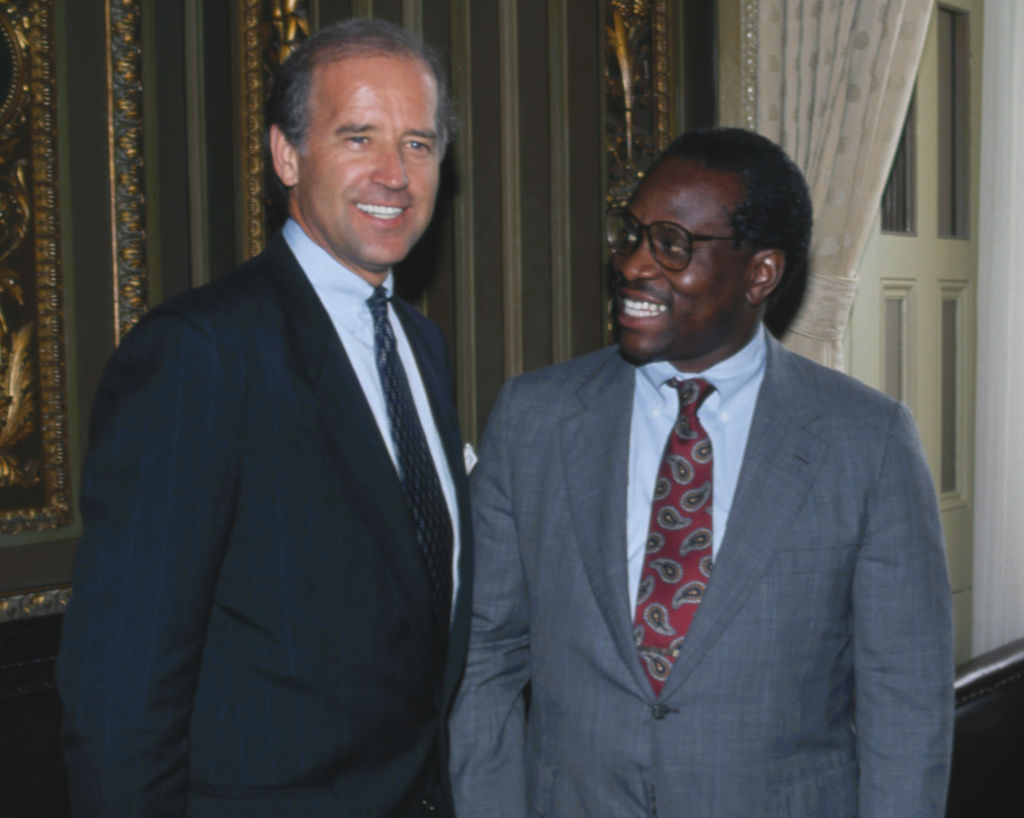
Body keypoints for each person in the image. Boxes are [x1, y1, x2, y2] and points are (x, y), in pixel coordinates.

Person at [449, 127, 953, 817]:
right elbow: (483, 655)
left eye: (674, 245)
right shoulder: (533, 419)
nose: (634, 265)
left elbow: (906, 700)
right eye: (631, 234)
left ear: (760, 273)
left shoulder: (867, 443)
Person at [58, 18, 472, 817]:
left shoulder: (421, 347)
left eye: (418, 144)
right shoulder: (201, 353)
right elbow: (122, 683)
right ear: (287, 155)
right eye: (359, 138)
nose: (394, 173)